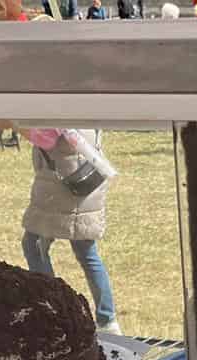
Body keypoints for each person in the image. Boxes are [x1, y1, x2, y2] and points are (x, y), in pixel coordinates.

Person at [19, 128, 121, 335]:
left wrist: (15, 125)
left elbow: (44, 139)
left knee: (33, 245)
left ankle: (50, 308)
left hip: (60, 188)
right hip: (84, 182)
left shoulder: (55, 114)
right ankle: (108, 320)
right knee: (87, 254)